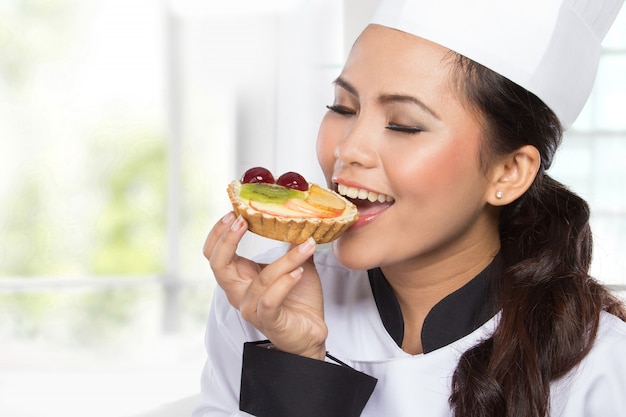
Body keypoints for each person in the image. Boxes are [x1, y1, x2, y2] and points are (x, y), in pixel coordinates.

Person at [193, 0, 626, 416]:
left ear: (508, 171)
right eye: (343, 107)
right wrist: (299, 360)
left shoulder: (604, 370)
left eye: (404, 124)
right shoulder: (262, 298)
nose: (348, 149)